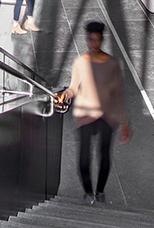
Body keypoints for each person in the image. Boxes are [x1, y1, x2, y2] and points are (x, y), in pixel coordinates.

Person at [55, 21, 130, 205]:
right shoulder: (80, 63)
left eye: (97, 40)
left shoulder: (112, 64)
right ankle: (88, 192)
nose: (94, 44)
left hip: (106, 115)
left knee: (104, 154)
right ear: (87, 40)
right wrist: (65, 94)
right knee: (84, 156)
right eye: (91, 40)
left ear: (102, 39)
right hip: (84, 115)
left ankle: (100, 191)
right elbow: (73, 88)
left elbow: (117, 95)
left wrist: (123, 122)